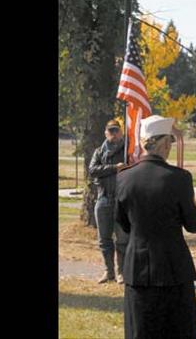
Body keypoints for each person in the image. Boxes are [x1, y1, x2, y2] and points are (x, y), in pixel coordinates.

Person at [115, 115, 196, 339]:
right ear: (165, 144)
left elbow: (122, 222)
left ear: (143, 143)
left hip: (137, 267)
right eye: (170, 142)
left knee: (140, 330)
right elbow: (193, 224)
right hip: (173, 267)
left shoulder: (124, 178)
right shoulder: (179, 178)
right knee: (177, 330)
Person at [88, 119, 129, 284]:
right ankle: (108, 271)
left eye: (116, 130)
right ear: (105, 133)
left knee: (122, 239)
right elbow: (92, 170)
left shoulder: (127, 150)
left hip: (121, 200)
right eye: (110, 131)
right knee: (104, 239)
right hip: (103, 198)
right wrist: (114, 168)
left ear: (121, 132)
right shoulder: (99, 152)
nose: (113, 134)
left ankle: (122, 273)